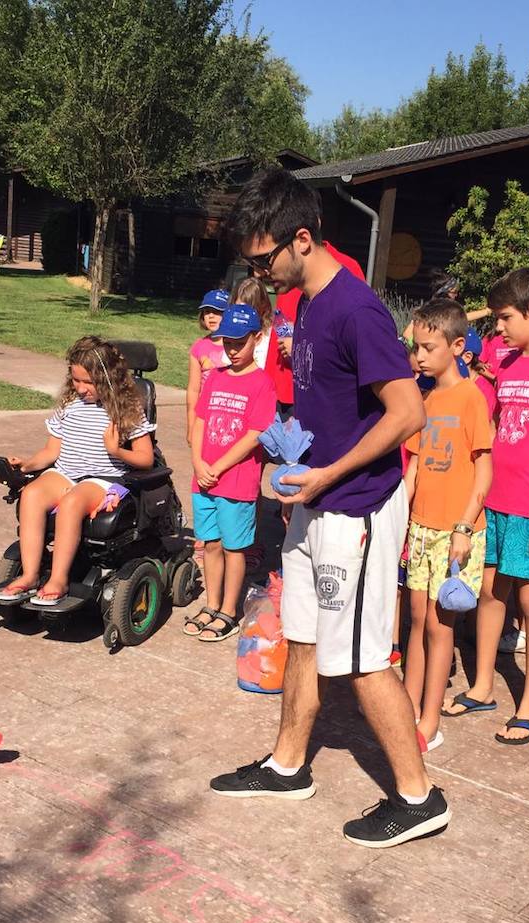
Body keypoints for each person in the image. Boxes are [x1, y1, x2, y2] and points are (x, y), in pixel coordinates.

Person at [209, 169, 446, 849]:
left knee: (367, 658)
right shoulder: (301, 302)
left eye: (263, 261)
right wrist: (294, 468)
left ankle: (418, 796)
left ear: (302, 239)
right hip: (317, 501)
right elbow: (327, 405)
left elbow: (409, 413)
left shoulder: (355, 308)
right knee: (304, 638)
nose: (257, 275)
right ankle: (287, 765)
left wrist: (328, 476)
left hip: (359, 509)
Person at [440, 267, 529, 744]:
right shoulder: (510, 363)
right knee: (489, 591)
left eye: (505, 317)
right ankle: (483, 686)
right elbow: (501, 427)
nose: (498, 327)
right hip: (497, 502)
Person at [0, 337, 156, 607]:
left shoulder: (126, 409)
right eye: (76, 380)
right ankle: (31, 575)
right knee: (32, 494)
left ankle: (59, 579)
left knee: (71, 503)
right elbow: (51, 451)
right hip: (66, 472)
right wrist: (26, 464)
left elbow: (146, 459)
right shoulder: (69, 405)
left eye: (88, 382)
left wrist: (117, 451)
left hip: (104, 478)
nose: (81, 388)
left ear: (108, 378)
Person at [401, 299, 493, 754]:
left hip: (455, 533)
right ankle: (406, 707)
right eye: (416, 347)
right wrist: (400, 514)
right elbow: (415, 465)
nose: (419, 356)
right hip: (419, 528)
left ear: (457, 346)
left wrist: (463, 525)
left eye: (428, 348)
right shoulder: (426, 397)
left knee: (440, 626)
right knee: (416, 621)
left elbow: (484, 470)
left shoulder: (472, 398)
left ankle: (429, 720)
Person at [185, 304, 277, 644]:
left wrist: (219, 466)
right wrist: (197, 462)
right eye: (227, 343)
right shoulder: (217, 377)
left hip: (235, 481)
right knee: (210, 544)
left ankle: (228, 610)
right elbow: (200, 420)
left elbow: (256, 434)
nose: (233, 349)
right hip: (203, 478)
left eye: (240, 342)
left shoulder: (262, 383)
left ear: (257, 338)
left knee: (233, 548)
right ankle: (210, 603)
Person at [264, 240, 364, 421]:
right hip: (280, 381)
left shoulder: (346, 266)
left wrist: (298, 344)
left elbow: (351, 334)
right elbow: (281, 315)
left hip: (318, 389)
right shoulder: (286, 262)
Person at [186, 289, 229, 444]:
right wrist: (191, 426)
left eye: (217, 312)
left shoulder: (237, 347)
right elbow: (193, 390)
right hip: (204, 415)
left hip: (229, 414)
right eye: (207, 312)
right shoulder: (199, 347)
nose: (211, 316)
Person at [230, 276, 274, 371]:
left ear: (263, 306)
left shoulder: (272, 335)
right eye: (240, 308)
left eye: (251, 308)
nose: (245, 314)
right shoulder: (231, 332)